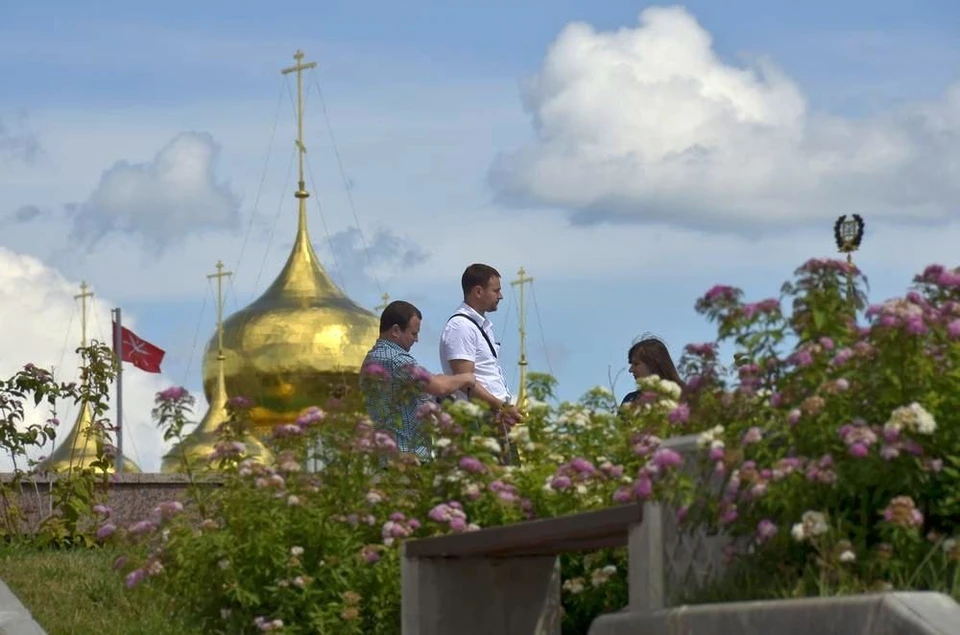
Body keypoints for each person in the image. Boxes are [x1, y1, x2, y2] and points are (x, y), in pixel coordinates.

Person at [360, 300, 476, 460]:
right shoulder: (395, 358)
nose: (416, 340)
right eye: (413, 333)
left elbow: (425, 382)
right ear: (395, 330)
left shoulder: (375, 357)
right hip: (405, 457)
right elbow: (438, 387)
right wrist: (466, 378)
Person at [439, 264, 522, 459]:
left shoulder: (479, 326)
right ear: (478, 291)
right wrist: (500, 407)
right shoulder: (461, 327)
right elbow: (465, 381)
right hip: (480, 419)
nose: (500, 296)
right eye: (496, 290)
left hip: (493, 416)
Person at [620, 336, 685, 408]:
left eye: (636, 364)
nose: (631, 370)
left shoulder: (684, 397)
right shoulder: (630, 400)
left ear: (653, 364)